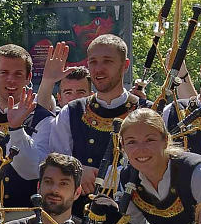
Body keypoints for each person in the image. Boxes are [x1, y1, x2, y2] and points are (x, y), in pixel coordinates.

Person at [9, 34, 140, 190]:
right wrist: (76, 172)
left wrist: (96, 176)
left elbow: (154, 165)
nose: (99, 69)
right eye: (93, 62)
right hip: (78, 212)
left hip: (131, 211)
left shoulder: (144, 111)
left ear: (125, 65)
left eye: (107, 61)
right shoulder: (71, 112)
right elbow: (51, 163)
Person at [0, 44, 50, 210]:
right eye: (4, 73)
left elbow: (34, 171)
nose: (11, 80)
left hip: (24, 215)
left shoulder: (44, 119)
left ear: (28, 78)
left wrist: (16, 129)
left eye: (18, 74)